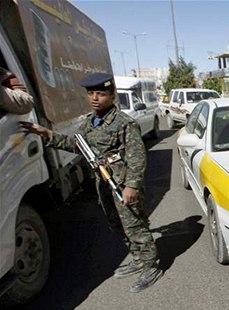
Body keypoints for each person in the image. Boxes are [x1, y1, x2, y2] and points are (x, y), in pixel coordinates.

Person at [21, 72, 162, 293]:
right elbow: (76, 145)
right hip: (103, 182)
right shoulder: (89, 122)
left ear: (113, 96)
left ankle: (151, 265)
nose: (95, 98)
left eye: (101, 94)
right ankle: (137, 258)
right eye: (91, 93)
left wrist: (132, 185)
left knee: (134, 225)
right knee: (116, 223)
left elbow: (137, 156)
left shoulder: (125, 123)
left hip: (123, 182)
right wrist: (47, 134)